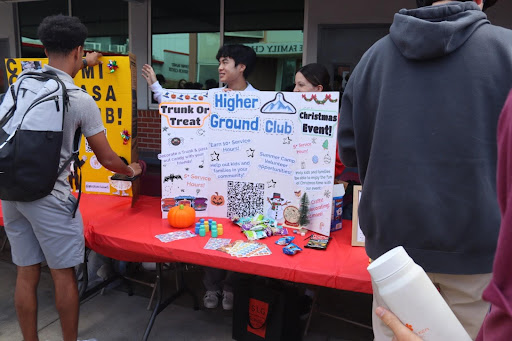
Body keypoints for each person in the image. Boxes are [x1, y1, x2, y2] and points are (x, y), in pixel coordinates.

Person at [338, 0, 511, 339]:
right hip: (480, 249)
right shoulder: (506, 50)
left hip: (392, 250)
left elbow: (350, 155)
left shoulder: (373, 58)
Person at [2, 15, 142, 341]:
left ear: (44, 47)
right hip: (51, 197)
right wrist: (131, 170)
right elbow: (108, 159)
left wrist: (86, 61)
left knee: (26, 272)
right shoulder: (78, 98)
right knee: (64, 275)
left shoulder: (19, 84)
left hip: (10, 191)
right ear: (79, 50)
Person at [374, 90, 512, 341]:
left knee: (393, 330)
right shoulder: (504, 56)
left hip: (393, 245)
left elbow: (352, 151)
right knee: (471, 333)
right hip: (474, 245)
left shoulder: (369, 65)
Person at [142, 44, 257, 310]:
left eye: (226, 62)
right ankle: (211, 287)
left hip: (245, 179)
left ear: (241, 67)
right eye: (220, 61)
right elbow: (178, 107)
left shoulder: (259, 99)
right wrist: (156, 88)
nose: (220, 67)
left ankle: (231, 288)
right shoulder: (212, 95)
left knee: (240, 235)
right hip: (213, 177)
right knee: (213, 233)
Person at [293, 63, 345, 179]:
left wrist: (312, 174)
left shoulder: (336, 120)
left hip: (319, 185)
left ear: (318, 89)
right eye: (295, 85)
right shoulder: (290, 116)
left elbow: (339, 162)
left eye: (301, 85)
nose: (295, 90)